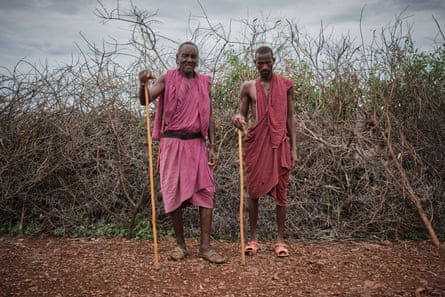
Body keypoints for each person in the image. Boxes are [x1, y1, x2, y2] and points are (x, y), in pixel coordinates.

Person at [138, 41, 226, 264]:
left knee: (206, 193)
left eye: (193, 57)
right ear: (177, 58)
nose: (189, 60)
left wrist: (212, 146)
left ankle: (205, 247)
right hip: (173, 145)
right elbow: (145, 99)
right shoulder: (167, 78)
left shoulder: (204, 82)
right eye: (185, 56)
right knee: (172, 192)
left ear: (197, 60)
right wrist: (141, 84)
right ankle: (180, 245)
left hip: (197, 144)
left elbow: (210, 115)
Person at [232, 45, 297, 257]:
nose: (264, 66)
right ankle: (252, 238)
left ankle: (280, 240)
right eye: (260, 63)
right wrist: (238, 119)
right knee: (253, 191)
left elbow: (290, 117)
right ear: (255, 63)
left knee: (281, 191)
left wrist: (294, 148)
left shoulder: (286, 85)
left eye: (268, 62)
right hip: (257, 144)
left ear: (274, 60)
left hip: (280, 143)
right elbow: (242, 113)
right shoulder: (248, 87)